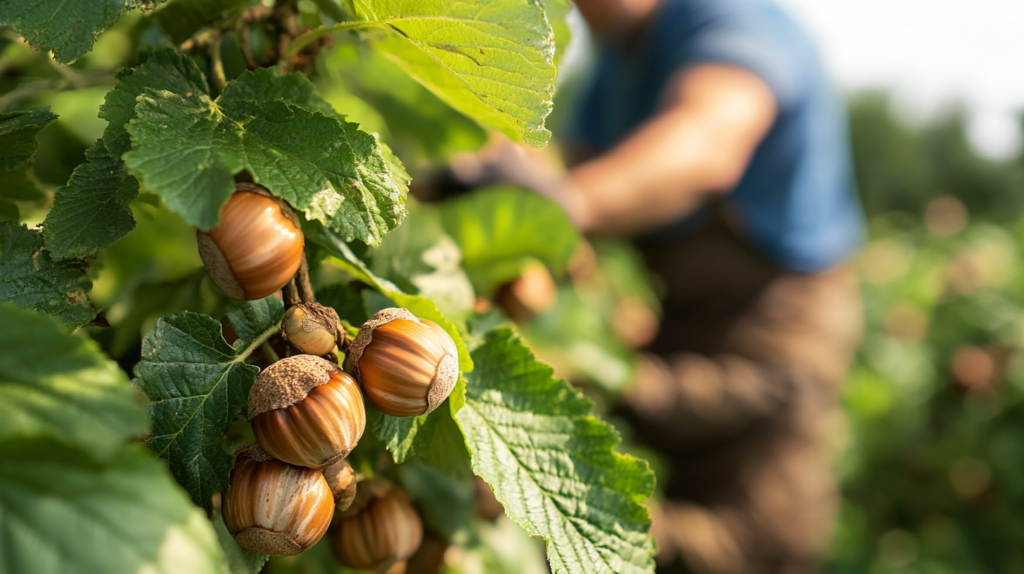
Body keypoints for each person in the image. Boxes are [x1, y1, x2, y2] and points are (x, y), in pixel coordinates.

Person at [463, 0, 865, 572]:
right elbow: (574, 159)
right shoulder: (619, 62)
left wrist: (566, 203)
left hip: (775, 321)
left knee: (750, 544)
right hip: (682, 314)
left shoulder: (731, 20)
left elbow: (706, 146)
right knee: (659, 498)